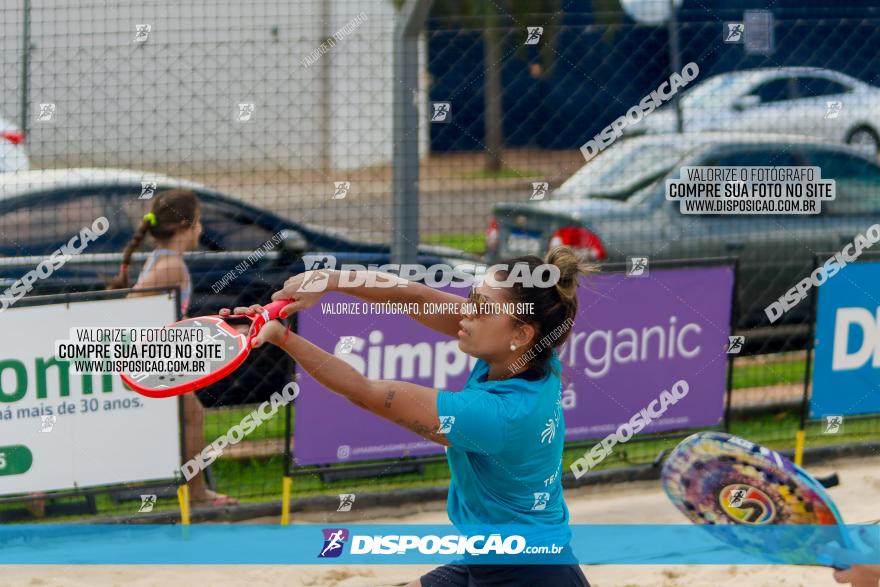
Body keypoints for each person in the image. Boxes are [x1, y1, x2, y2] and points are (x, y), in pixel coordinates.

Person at [222, 247, 592, 586]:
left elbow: (363, 392)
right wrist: (329, 279)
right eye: (472, 296)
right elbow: (413, 296)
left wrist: (282, 338)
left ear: (521, 333)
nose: (467, 310)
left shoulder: (496, 416)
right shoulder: (529, 357)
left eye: (482, 306)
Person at [109, 188, 238, 508]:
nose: (202, 229)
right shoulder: (170, 267)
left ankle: (193, 492)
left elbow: (165, 311)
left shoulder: (166, 261)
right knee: (191, 416)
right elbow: (132, 306)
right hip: (156, 359)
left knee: (189, 414)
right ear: (186, 226)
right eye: (199, 221)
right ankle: (195, 494)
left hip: (161, 356)